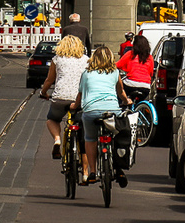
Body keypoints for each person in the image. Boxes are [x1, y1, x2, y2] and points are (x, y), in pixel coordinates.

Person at [74, 45, 126, 186]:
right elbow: (121, 92)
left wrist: (74, 106)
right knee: (116, 136)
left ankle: (92, 171)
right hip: (111, 111)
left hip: (91, 111)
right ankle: (118, 167)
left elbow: (80, 94)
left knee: (90, 138)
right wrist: (127, 101)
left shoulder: (86, 73)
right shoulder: (114, 72)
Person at [39, 35, 88, 160]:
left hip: (60, 96)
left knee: (52, 119)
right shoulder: (86, 60)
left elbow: (50, 80)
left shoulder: (57, 59)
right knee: (82, 122)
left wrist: (43, 92)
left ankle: (57, 140)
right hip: (79, 98)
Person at [117, 36, 153, 103]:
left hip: (131, 84)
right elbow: (151, 73)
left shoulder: (130, 54)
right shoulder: (150, 57)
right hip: (145, 86)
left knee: (120, 91)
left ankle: (121, 108)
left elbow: (118, 65)